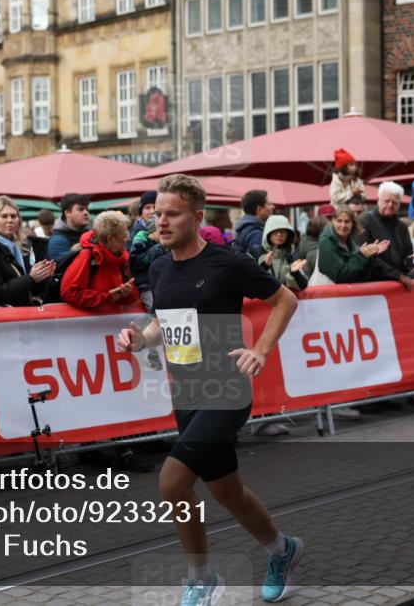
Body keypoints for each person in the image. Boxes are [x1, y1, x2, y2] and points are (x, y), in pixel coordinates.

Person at [117, 174, 303, 605]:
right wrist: (141, 339)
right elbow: (163, 323)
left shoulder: (227, 263)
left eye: (173, 214)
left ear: (197, 217)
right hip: (186, 391)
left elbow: (285, 300)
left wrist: (260, 350)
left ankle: (202, 578)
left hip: (226, 389)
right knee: (225, 490)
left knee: (171, 482)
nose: (161, 222)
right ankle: (282, 550)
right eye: (157, 214)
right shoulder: (159, 266)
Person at [0, 196, 55, 306]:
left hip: (19, 312)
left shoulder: (18, 248)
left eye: (13, 216)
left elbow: (31, 290)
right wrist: (30, 278)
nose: (10, 220)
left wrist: (43, 276)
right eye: (4, 216)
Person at [61, 210, 139, 309]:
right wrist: (106, 297)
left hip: (113, 317)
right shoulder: (87, 256)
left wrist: (127, 293)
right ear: (111, 239)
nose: (128, 238)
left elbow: (133, 297)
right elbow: (69, 293)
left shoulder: (122, 258)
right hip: (91, 319)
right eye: (125, 235)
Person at [357, 182, 414, 291]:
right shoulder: (364, 221)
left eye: (394, 202)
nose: (390, 205)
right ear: (378, 200)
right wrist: (397, 275)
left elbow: (408, 253)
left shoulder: (402, 226)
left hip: (399, 285)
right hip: (372, 285)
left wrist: (410, 264)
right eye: (387, 201)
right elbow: (368, 258)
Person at [316, 207, 390, 284]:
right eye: (339, 221)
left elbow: (360, 276)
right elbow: (340, 276)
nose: (343, 225)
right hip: (327, 290)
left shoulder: (352, 241)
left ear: (353, 223)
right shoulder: (326, 242)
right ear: (333, 221)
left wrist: (370, 255)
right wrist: (361, 256)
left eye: (347, 221)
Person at [258, 215, 307, 292]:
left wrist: (294, 273)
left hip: (283, 299)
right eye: (275, 230)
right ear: (268, 232)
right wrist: (264, 266)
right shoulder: (257, 253)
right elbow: (248, 280)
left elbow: (303, 285)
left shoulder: (289, 257)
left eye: (283, 231)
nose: (279, 234)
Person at [233, 189, 275, 259]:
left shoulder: (244, 227)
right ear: (259, 209)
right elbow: (258, 261)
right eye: (269, 204)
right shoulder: (256, 234)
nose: (273, 207)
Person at [47, 192, 91, 261]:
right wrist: (73, 253)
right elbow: (65, 266)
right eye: (80, 209)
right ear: (67, 213)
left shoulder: (91, 235)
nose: (86, 213)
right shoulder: (57, 241)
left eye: (87, 209)